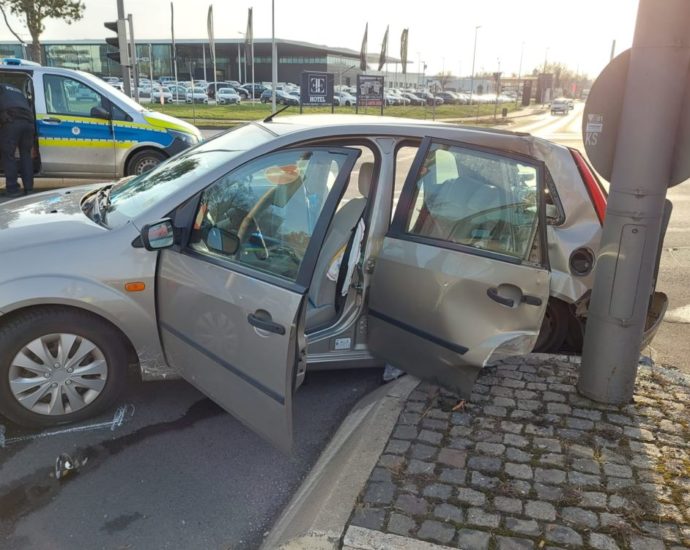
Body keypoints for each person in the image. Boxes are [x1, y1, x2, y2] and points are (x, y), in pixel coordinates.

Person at [0, 83, 35, 197]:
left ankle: (12, 189)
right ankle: (29, 188)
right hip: (29, 122)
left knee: (8, 155)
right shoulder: (17, 90)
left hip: (13, 121)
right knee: (25, 155)